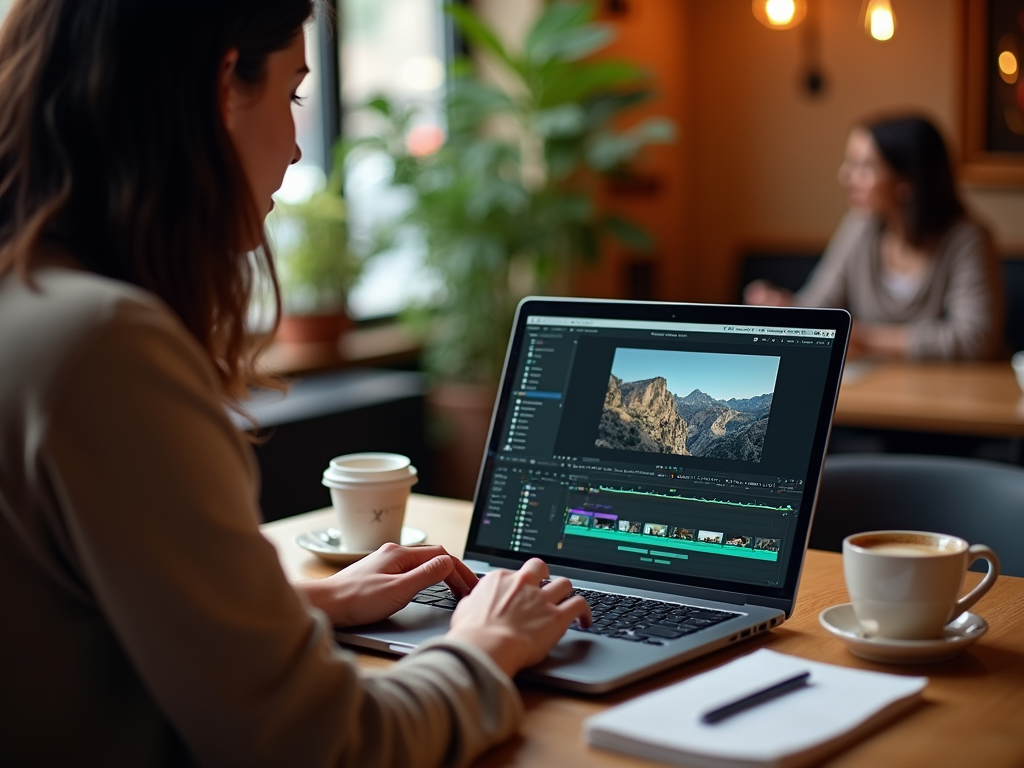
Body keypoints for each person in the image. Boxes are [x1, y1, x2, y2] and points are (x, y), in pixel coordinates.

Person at [0, 2, 591, 766]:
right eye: (293, 94)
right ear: (222, 89)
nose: (292, 144)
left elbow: (74, 628)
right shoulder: (105, 348)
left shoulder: (32, 304)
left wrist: (302, 606)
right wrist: (486, 645)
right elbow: (324, 746)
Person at [744, 115, 1004, 360]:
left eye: (864, 167)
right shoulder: (859, 227)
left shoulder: (967, 239)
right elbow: (820, 307)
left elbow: (975, 338)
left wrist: (866, 338)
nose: (845, 177)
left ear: (907, 181)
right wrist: (786, 308)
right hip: (876, 389)